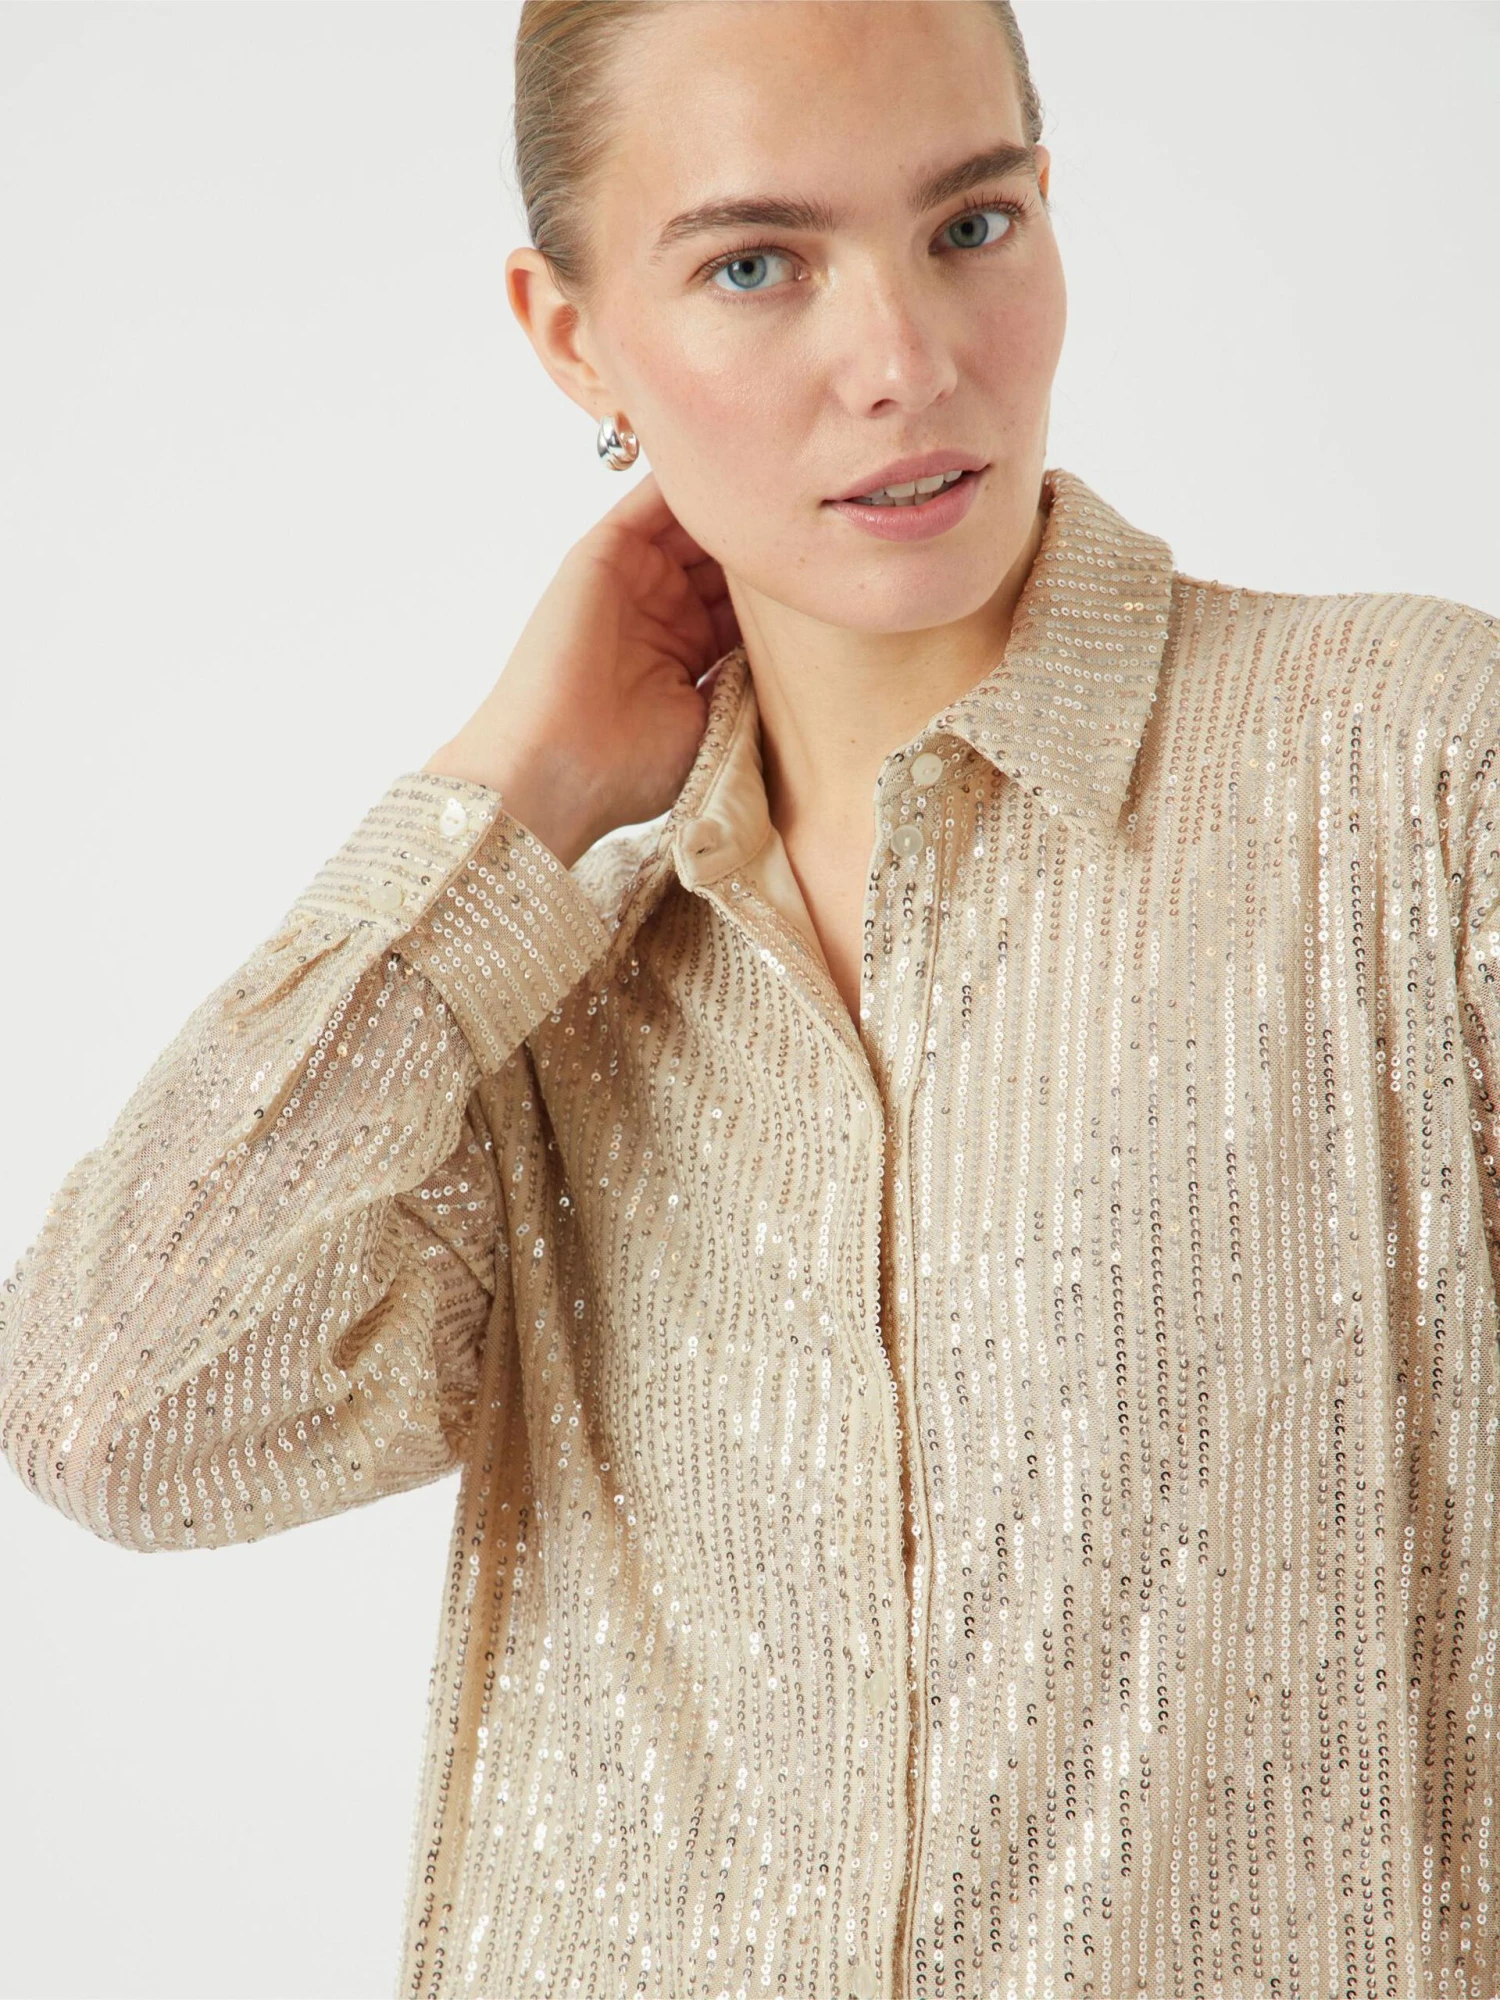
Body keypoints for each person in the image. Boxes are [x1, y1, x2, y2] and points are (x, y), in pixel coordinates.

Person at [2, 2, 1497, 1995]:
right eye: (756, 266)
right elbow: (115, 1414)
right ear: (571, 338)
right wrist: (506, 796)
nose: (904, 360)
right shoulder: (539, 987)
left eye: (969, 226)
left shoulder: (1409, 775)